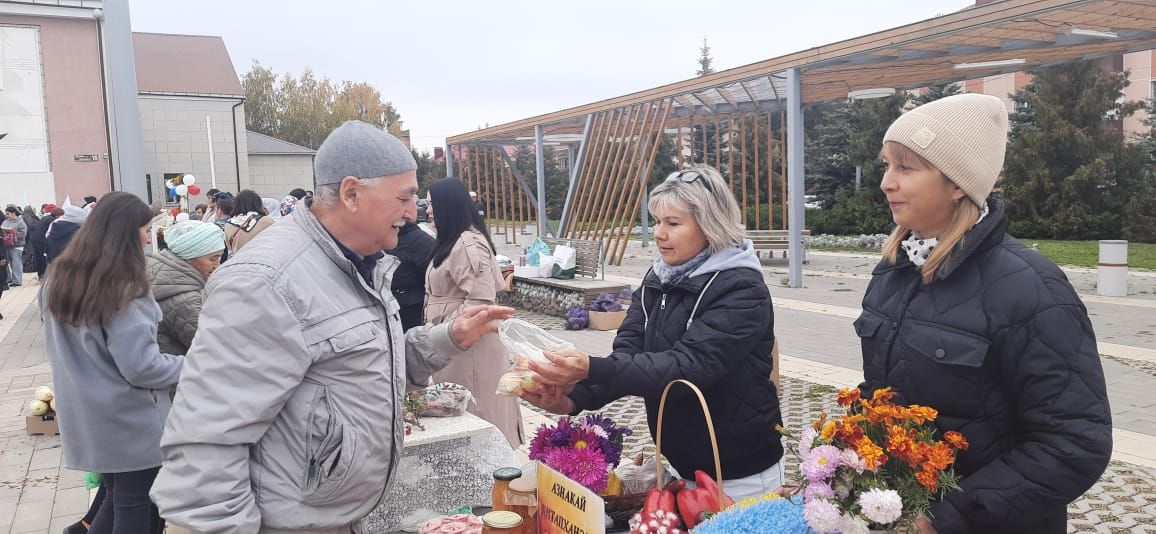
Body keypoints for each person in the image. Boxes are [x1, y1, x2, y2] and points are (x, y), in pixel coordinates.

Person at [150, 120, 514, 533]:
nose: (413, 213)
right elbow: (207, 440)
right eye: (404, 197)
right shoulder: (266, 281)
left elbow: (360, 359)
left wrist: (448, 337)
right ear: (351, 193)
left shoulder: (359, 262)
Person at [855, 94, 1112, 534]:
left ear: (958, 184)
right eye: (886, 165)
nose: (886, 183)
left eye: (905, 167)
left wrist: (949, 517)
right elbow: (889, 389)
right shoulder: (896, 270)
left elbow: (1075, 441)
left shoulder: (1030, 287)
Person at [524, 165, 783, 500]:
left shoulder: (740, 289)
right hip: (682, 463)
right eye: (657, 221)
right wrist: (575, 398)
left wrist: (590, 366)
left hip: (738, 472)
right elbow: (629, 356)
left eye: (672, 223)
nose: (659, 233)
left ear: (710, 225)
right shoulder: (660, 277)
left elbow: (686, 366)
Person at [41, 192, 184, 534]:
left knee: (117, 498)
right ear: (125, 233)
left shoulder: (57, 279)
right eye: (146, 230)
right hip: (128, 419)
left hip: (86, 413)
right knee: (135, 504)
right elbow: (142, 367)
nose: (150, 237)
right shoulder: (124, 288)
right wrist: (193, 365)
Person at [424, 178, 522, 447]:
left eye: (432, 204)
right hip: (455, 345)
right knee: (460, 412)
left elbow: (480, 301)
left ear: (449, 205)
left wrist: (451, 330)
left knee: (477, 413)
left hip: (470, 348)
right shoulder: (454, 240)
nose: (428, 210)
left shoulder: (468, 243)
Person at [146, 221, 225, 355]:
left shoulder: (156, 268)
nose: (218, 265)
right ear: (189, 256)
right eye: (213, 259)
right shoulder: (187, 300)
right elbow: (215, 351)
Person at [387, 219, 435, 331]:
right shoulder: (379, 238)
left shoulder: (422, 242)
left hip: (411, 311)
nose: (428, 211)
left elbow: (436, 282)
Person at [223, 189, 275, 254]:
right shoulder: (267, 221)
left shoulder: (228, 224)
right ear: (257, 203)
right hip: (262, 259)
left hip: (238, 261)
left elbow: (229, 248)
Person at [2, 206, 27, 286]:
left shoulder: (20, 222)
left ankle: (17, 281)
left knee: (16, 263)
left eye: (8, 214)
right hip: (6, 245)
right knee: (5, 263)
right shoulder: (5, 222)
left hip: (17, 245)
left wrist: (12, 233)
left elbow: (23, 234)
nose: (6, 215)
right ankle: (7, 279)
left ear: (13, 213)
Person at [29, 204, 56, 279]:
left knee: (39, 257)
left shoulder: (45, 218)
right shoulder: (51, 219)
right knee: (44, 257)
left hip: (35, 239)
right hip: (41, 240)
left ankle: (41, 274)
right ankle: (45, 275)